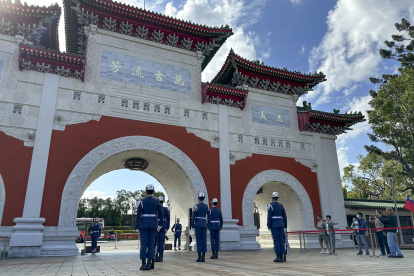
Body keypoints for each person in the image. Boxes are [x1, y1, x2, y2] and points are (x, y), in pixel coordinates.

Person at [136, 184, 164, 270]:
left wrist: (137, 226)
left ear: (145, 192)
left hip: (143, 224)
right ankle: (149, 264)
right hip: (153, 224)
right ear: (153, 192)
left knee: (144, 244)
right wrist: (160, 224)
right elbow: (161, 213)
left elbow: (138, 215)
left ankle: (143, 264)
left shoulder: (141, 201)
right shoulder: (156, 202)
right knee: (151, 244)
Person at [267, 192, 287, 263]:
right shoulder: (281, 205)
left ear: (272, 198)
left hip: (274, 224)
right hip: (281, 224)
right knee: (281, 240)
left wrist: (268, 225)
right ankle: (281, 256)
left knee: (276, 240)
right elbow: (284, 217)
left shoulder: (270, 205)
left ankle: (278, 257)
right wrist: (285, 226)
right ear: (277, 198)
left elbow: (269, 217)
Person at [192, 192, 209, 262]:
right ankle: (204, 256)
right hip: (204, 224)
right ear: (203, 198)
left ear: (198, 198)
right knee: (204, 240)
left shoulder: (196, 206)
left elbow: (193, 217)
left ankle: (199, 257)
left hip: (198, 224)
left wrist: (193, 225)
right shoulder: (206, 206)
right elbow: (209, 217)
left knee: (198, 240)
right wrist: (207, 224)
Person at [155, 196, 170, 262]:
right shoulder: (165, 209)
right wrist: (167, 227)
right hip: (163, 225)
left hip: (156, 225)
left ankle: (155, 255)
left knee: (155, 241)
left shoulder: (156, 208)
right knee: (161, 241)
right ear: (163, 202)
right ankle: (161, 256)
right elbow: (168, 219)